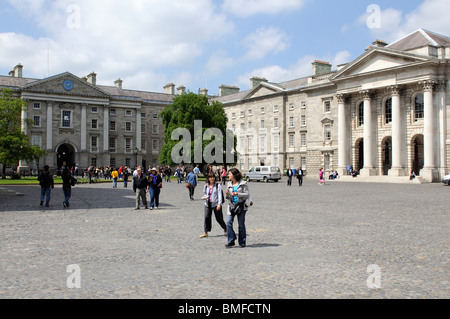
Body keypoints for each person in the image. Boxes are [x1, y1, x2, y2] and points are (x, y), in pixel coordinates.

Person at [225, 168, 250, 248]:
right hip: (231, 206)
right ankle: (231, 240)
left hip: (241, 206)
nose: (228, 175)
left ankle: (242, 242)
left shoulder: (243, 183)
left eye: (229, 174)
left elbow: (247, 194)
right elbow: (228, 196)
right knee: (228, 223)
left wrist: (237, 194)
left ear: (234, 175)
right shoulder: (229, 184)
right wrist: (227, 195)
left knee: (241, 225)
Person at [200, 173, 227, 238]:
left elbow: (220, 195)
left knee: (219, 218)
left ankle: (225, 229)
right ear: (208, 178)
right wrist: (204, 197)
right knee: (206, 217)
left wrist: (219, 204)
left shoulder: (217, 186)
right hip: (208, 204)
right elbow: (205, 193)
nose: (212, 178)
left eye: (213, 177)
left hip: (216, 204)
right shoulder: (206, 186)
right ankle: (206, 231)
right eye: (210, 177)